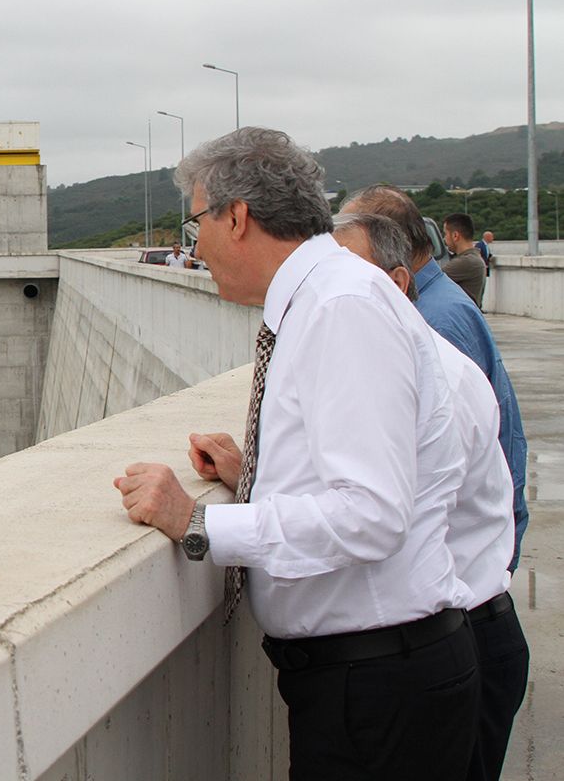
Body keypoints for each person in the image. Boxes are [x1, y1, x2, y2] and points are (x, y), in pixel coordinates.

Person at [113, 128, 478, 781]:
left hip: (378, 689)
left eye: (196, 222)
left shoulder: (341, 308)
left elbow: (371, 511)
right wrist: (253, 475)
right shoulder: (324, 300)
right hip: (369, 680)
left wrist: (197, 523)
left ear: (237, 216)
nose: (194, 245)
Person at [332, 212, 528, 781]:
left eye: (346, 273)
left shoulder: (432, 351)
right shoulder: (420, 349)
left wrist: (208, 527)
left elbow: (378, 512)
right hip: (472, 624)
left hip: (465, 628)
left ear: (396, 283)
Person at [341, 185, 528, 566]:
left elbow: (439, 460)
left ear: (391, 246)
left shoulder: (435, 320)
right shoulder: (432, 303)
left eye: (348, 253)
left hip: (462, 562)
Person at [441, 213, 487, 308]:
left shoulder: (467, 262)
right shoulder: (473, 259)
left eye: (446, 234)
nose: (444, 239)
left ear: (455, 235)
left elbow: (428, 278)